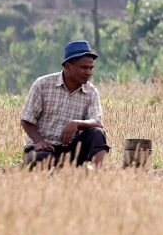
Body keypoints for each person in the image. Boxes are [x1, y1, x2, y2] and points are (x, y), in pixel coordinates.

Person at [21, 40, 109, 168]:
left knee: (97, 133)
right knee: (38, 160)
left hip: (73, 149)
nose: (89, 72)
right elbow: (27, 120)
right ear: (68, 66)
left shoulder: (91, 92)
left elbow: (97, 122)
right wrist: (39, 141)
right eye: (84, 67)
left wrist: (76, 123)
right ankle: (73, 169)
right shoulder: (42, 85)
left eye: (91, 68)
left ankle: (97, 173)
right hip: (44, 149)